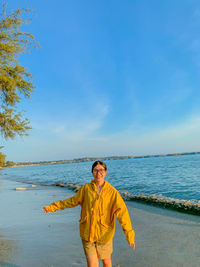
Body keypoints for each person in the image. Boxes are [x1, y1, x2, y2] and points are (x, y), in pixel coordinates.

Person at [42, 160, 135, 267]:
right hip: (87, 233)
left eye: (101, 170)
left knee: (106, 262)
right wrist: (52, 207)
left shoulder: (112, 192)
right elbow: (71, 201)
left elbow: (122, 214)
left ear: (106, 172)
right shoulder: (85, 189)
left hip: (104, 234)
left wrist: (129, 235)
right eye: (95, 170)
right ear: (92, 172)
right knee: (92, 265)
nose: (98, 173)